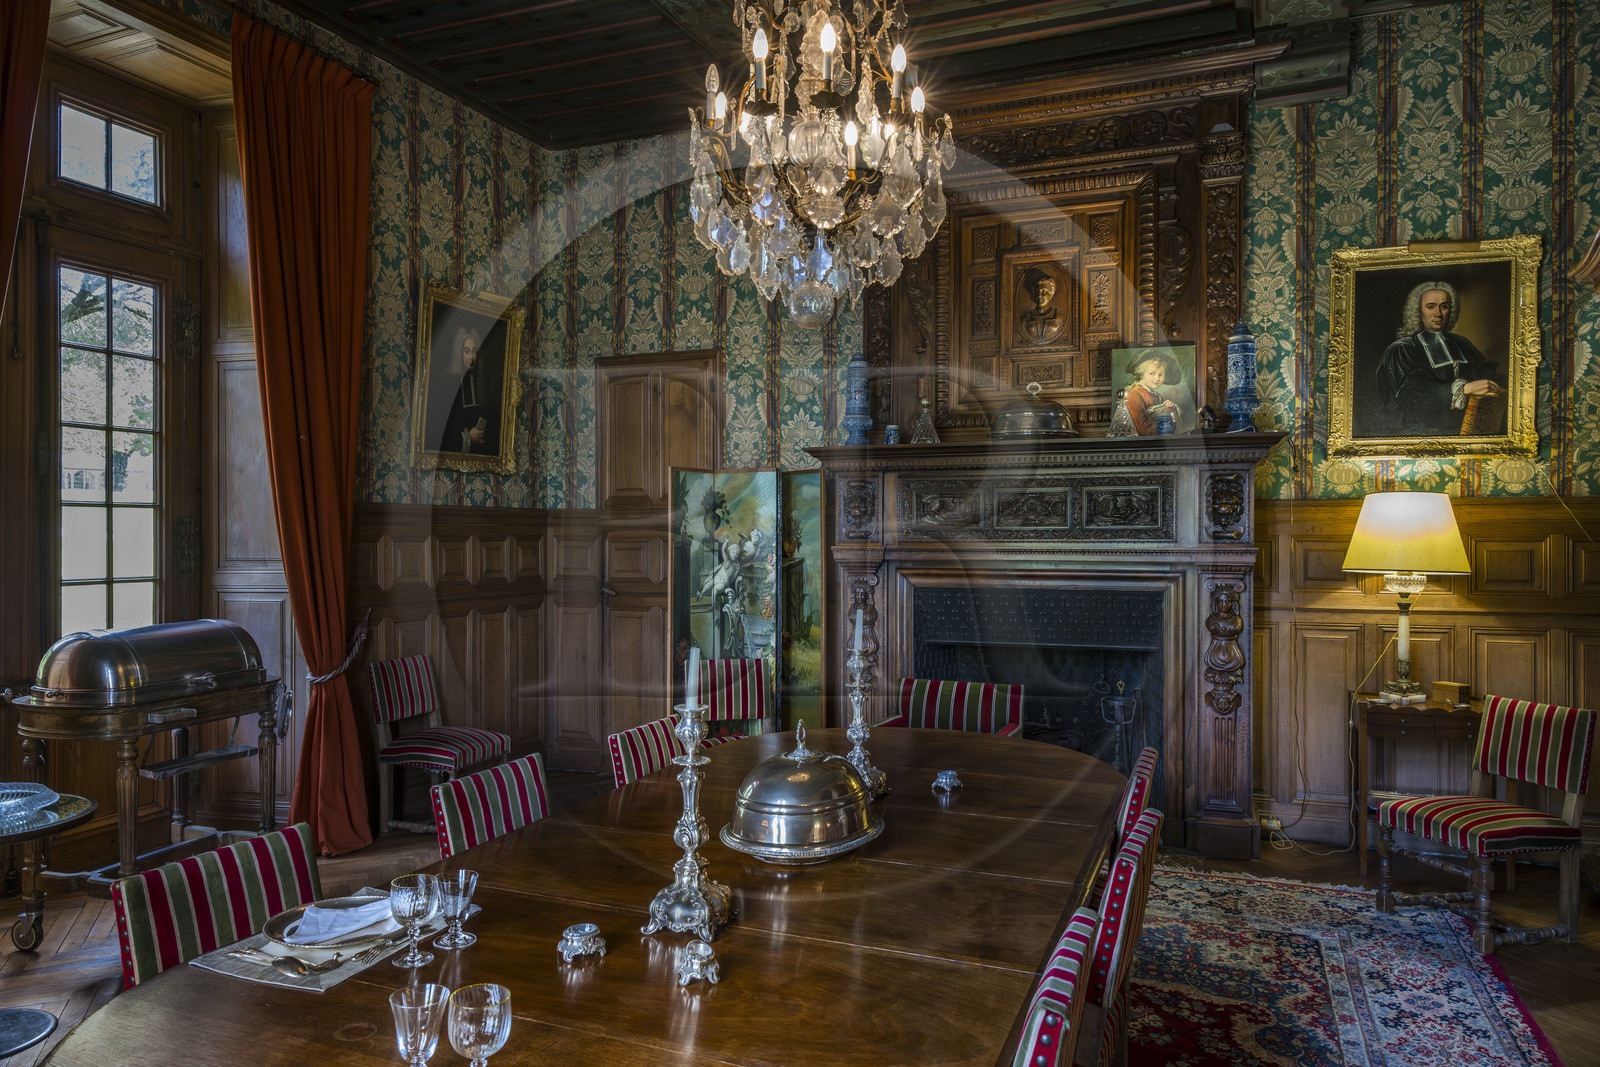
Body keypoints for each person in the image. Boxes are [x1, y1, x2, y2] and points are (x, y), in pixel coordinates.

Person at [1372, 281, 1502, 437]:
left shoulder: (1461, 344)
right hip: (1419, 433)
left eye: (1444, 306)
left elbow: (1483, 372)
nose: (1438, 314)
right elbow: (1411, 397)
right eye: (1431, 306)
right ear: (1418, 311)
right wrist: (1464, 389)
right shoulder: (1403, 349)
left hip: (1465, 430)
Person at [437, 326, 496, 454]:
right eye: (466, 351)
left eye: (474, 351)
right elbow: (441, 431)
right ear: (459, 353)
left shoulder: (482, 383)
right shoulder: (448, 384)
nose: (471, 356)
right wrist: (468, 437)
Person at [1108, 351, 1181, 436]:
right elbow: (1143, 430)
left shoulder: (1157, 396)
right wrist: (1167, 422)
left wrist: (1168, 408)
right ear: (1141, 374)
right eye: (1152, 374)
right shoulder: (1134, 394)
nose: (1157, 378)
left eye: (1161, 375)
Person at [1019, 272, 1062, 345]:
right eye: (1037, 292)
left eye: (1044, 291)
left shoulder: (1058, 315)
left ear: (1051, 293)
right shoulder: (1026, 317)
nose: (1039, 296)